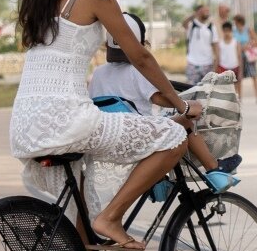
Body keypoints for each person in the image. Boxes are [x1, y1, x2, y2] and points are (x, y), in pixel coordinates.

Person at [10, 0, 191, 251]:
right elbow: (138, 54)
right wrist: (180, 105)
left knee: (78, 216)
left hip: (25, 120)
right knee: (172, 138)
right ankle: (112, 218)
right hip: (67, 116)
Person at [89, 10, 233, 186]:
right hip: (137, 137)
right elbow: (160, 98)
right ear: (142, 43)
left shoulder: (98, 73)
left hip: (108, 139)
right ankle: (214, 169)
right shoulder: (137, 70)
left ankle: (162, 183)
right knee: (185, 122)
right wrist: (188, 104)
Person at [234, 17, 257, 105]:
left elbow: (256, 41)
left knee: (254, 75)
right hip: (239, 56)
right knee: (239, 78)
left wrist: (248, 45)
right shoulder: (234, 31)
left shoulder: (248, 30)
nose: (235, 23)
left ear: (239, 22)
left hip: (249, 56)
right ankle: (239, 97)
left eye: (236, 22)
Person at [183, 4, 215, 85]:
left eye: (207, 11)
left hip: (208, 63)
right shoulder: (192, 25)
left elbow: (216, 45)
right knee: (191, 90)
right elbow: (184, 24)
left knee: (207, 91)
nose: (206, 13)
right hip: (193, 63)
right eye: (204, 11)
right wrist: (194, 15)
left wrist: (216, 63)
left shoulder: (211, 27)